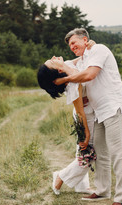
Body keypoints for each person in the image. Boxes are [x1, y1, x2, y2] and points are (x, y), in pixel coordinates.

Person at [53, 28, 122, 205]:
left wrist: (62, 79)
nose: (72, 47)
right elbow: (69, 66)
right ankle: (103, 190)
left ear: (85, 39)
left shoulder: (99, 50)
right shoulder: (83, 59)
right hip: (99, 112)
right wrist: (58, 64)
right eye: (70, 45)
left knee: (117, 154)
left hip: (113, 107)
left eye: (75, 43)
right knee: (102, 153)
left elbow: (89, 76)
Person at [37, 56, 95, 196]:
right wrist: (85, 133)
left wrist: (89, 45)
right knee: (87, 155)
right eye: (51, 62)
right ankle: (61, 176)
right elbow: (81, 113)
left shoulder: (66, 66)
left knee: (82, 153)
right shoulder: (72, 85)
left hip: (92, 112)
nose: (53, 58)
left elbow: (83, 56)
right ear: (56, 71)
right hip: (85, 117)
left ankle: (82, 185)